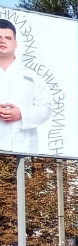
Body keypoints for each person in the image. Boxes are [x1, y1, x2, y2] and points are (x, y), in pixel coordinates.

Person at [0, 18, 52, 154]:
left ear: (15, 43)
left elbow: (46, 108)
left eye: (7, 38)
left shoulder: (32, 77)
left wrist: (21, 113)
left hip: (23, 151)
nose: (2, 41)